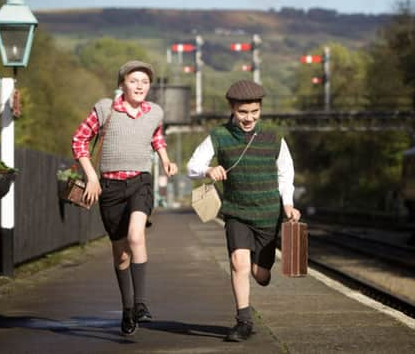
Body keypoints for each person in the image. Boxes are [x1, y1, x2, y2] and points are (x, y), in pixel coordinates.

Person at [186, 79, 301, 342]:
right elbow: (192, 165)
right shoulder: (219, 136)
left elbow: (286, 172)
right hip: (236, 212)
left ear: (260, 109)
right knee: (239, 263)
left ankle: (261, 268)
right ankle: (243, 321)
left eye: (254, 112)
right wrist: (207, 170)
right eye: (242, 112)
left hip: (268, 214)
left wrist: (288, 204)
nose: (249, 118)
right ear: (232, 108)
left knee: (260, 275)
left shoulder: (274, 136)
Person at [71, 60, 178, 336]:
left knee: (136, 236)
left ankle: (141, 303)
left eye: (145, 81)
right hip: (110, 187)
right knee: (120, 255)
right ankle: (128, 308)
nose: (140, 86)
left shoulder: (155, 111)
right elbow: (79, 141)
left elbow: (156, 137)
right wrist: (92, 177)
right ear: (122, 85)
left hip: (141, 182)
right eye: (134, 81)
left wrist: (166, 159)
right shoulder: (105, 108)